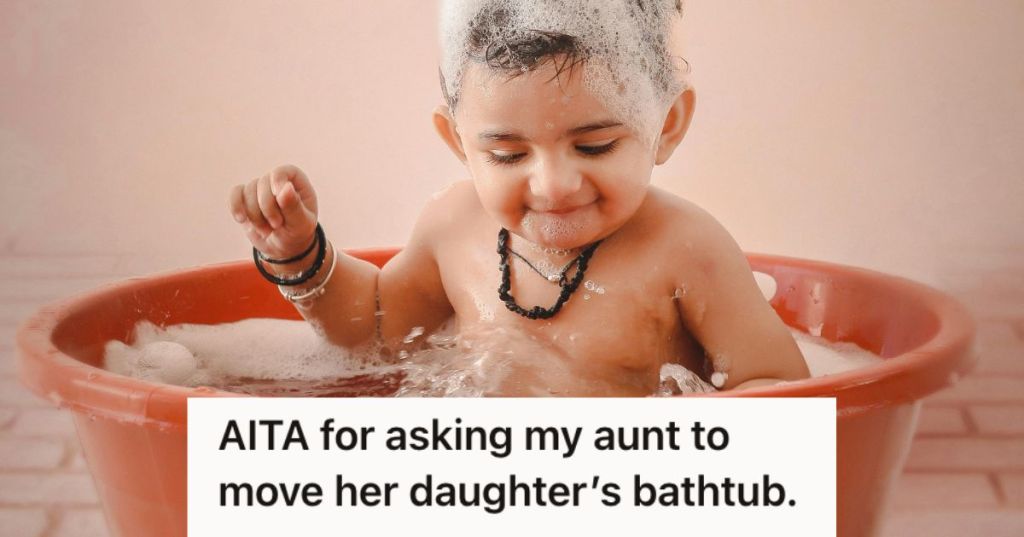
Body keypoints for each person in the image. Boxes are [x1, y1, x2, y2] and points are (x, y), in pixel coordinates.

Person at [228, 0, 809, 396]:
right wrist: (299, 252)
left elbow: (777, 390)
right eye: (508, 154)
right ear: (458, 142)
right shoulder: (453, 228)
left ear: (669, 125)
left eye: (596, 145)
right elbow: (374, 330)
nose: (553, 184)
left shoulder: (684, 248)